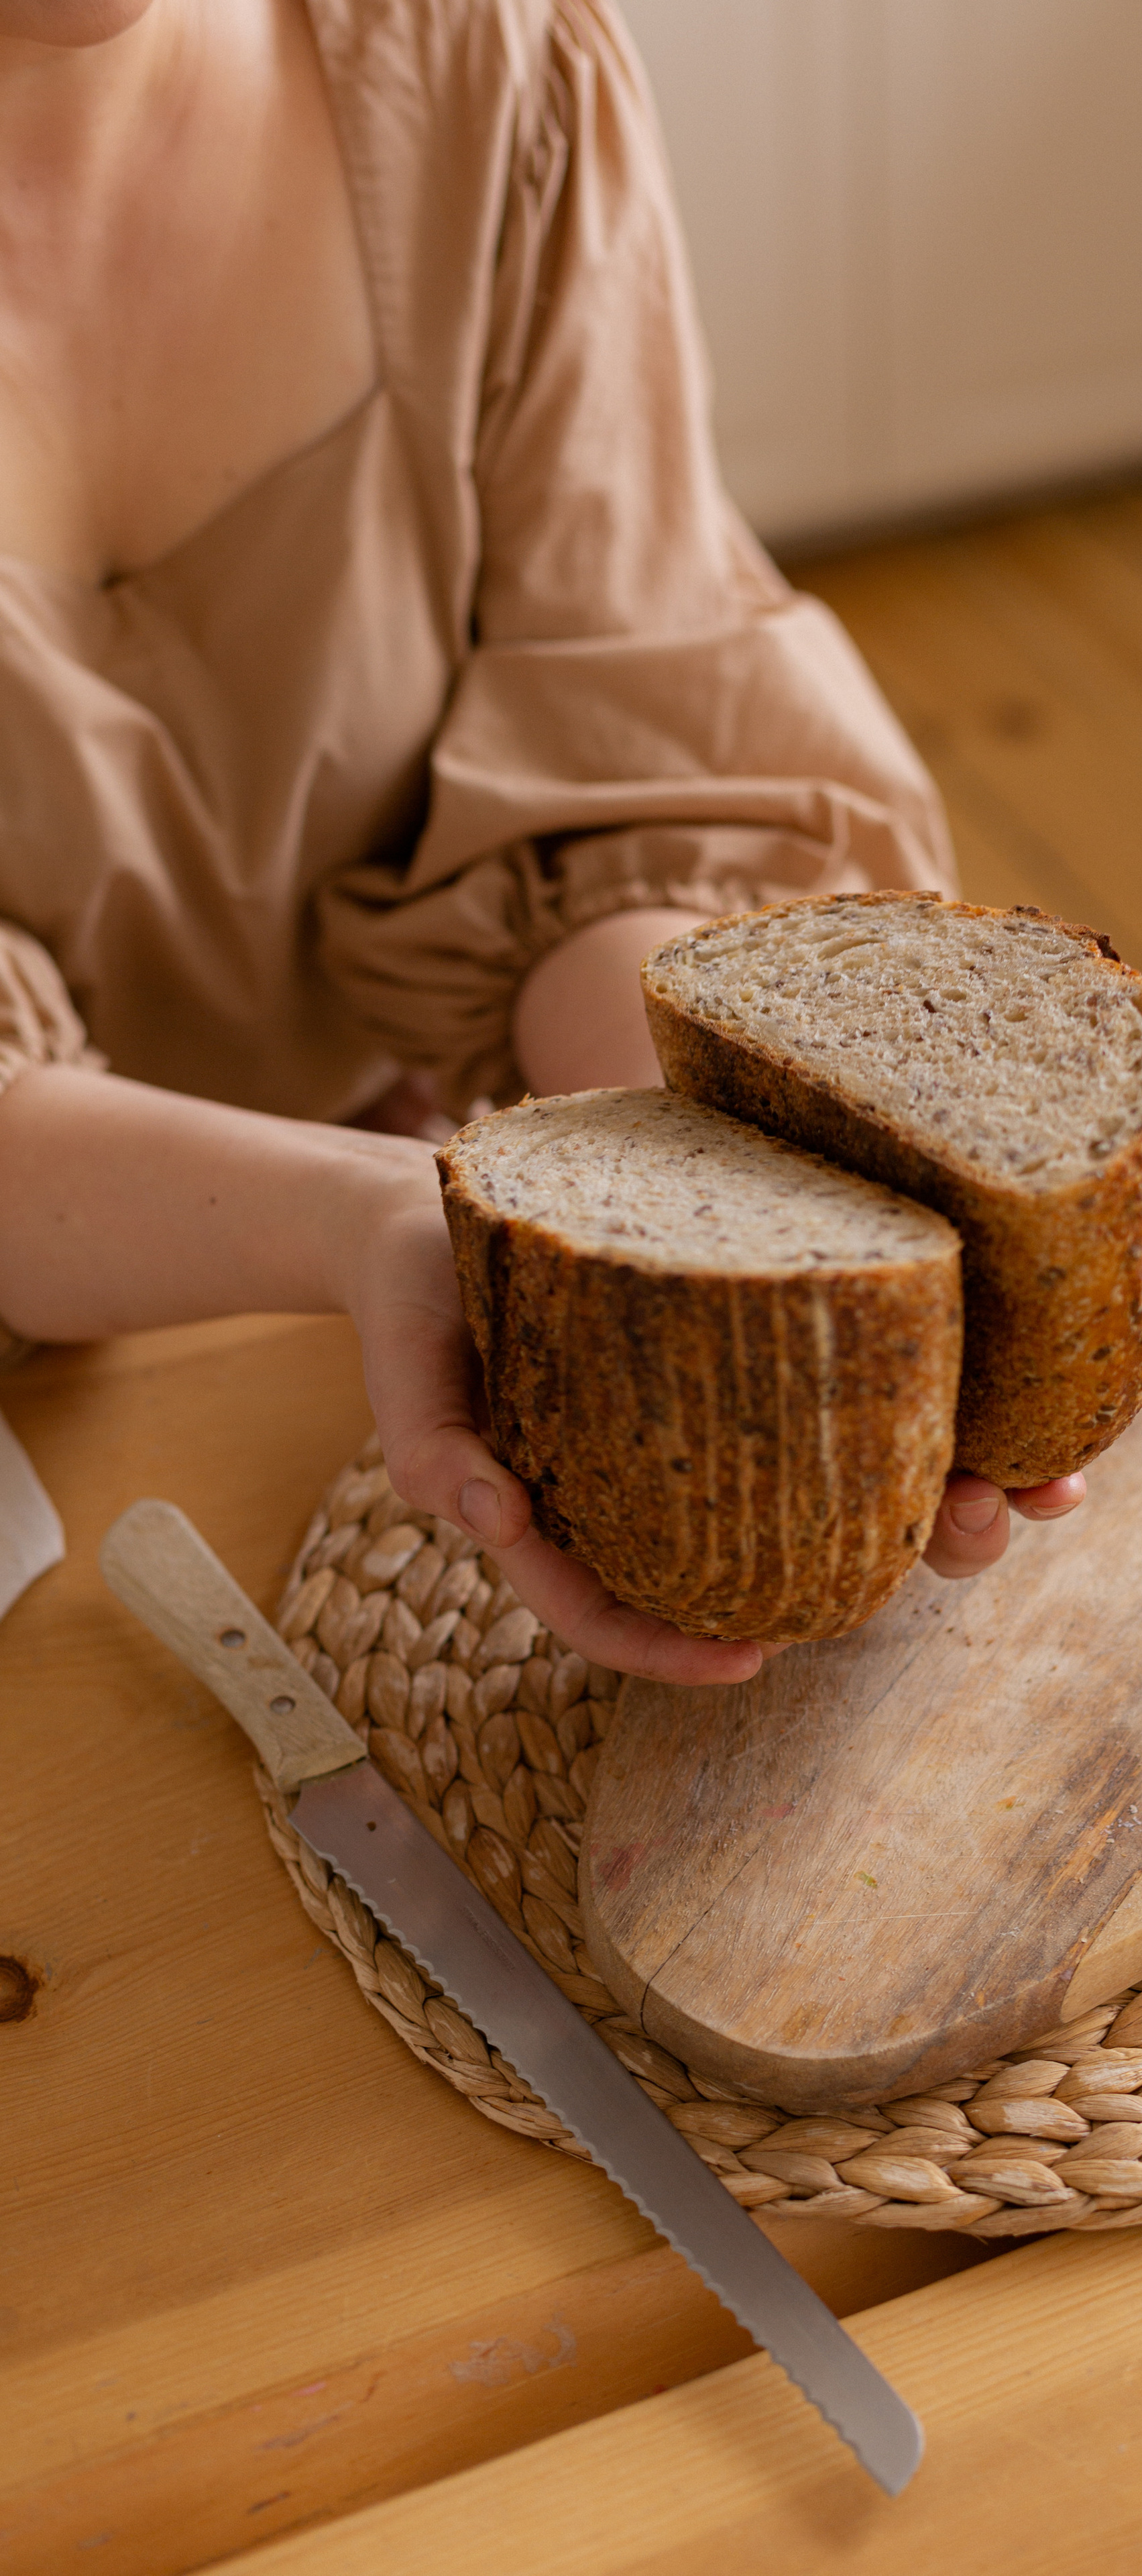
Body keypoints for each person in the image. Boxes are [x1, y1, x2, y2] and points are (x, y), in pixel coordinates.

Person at [0, 0, 1084, 1682]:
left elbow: (621, 788)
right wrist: (377, 1225)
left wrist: (710, 1186)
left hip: (378, 1224)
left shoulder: (479, 66)